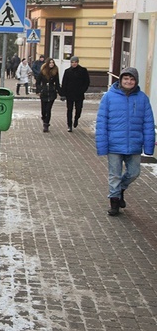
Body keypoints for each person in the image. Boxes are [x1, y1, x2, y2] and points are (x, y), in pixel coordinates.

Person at [96, 67, 155, 216]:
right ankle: (114, 202)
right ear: (121, 80)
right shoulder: (109, 97)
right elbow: (102, 122)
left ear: (136, 81)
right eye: (126, 79)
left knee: (134, 172)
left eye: (132, 79)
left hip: (134, 144)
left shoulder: (142, 98)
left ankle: (120, 189)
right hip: (114, 144)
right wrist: (102, 144)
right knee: (114, 174)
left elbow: (148, 123)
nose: (129, 81)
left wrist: (148, 146)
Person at [60, 56, 90, 132]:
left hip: (79, 94)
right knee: (69, 110)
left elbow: (87, 82)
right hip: (69, 93)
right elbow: (64, 83)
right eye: (72, 62)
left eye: (75, 62)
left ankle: (76, 119)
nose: (74, 64)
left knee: (79, 109)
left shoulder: (83, 70)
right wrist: (63, 94)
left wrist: (83, 90)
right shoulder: (67, 71)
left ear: (77, 62)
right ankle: (69, 125)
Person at [36, 58, 60, 132]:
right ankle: (44, 117)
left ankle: (46, 124)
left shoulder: (55, 72)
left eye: (52, 63)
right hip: (44, 93)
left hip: (51, 93)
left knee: (48, 109)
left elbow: (57, 83)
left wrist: (60, 92)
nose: (51, 64)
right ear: (47, 64)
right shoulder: (42, 72)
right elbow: (38, 82)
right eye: (50, 63)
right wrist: (40, 90)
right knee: (43, 110)